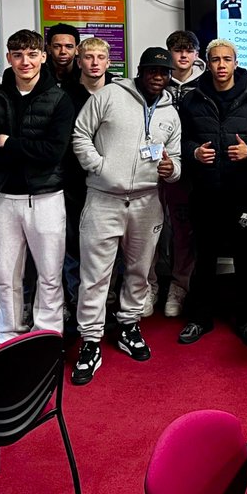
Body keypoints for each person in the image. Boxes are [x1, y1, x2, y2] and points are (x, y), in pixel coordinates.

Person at [70, 47, 181, 385]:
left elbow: (176, 158)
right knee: (95, 275)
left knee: (139, 271)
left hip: (147, 202)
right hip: (103, 199)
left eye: (163, 73)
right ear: (140, 71)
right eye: (151, 71)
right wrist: (99, 167)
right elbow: (80, 134)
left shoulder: (170, 112)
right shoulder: (109, 95)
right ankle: (90, 340)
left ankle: (129, 326)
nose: (157, 77)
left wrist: (172, 170)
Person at [0, 29, 75, 343]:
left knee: (49, 273)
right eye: (17, 55)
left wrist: (8, 143)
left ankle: (47, 333)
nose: (25, 62)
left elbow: (53, 152)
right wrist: (24, 150)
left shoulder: (59, 99)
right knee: (5, 275)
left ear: (43, 57)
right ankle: (9, 333)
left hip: (47, 196)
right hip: (4, 197)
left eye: (32, 54)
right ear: (8, 58)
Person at [177, 39, 247, 347]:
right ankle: (200, 318)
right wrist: (194, 152)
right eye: (215, 59)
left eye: (226, 59)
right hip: (206, 191)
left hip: (244, 192)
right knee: (205, 256)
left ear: (235, 62)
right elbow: (180, 139)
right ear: (207, 63)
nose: (221, 65)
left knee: (245, 259)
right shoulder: (192, 99)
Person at [59, 37, 113, 318]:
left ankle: (108, 302)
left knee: (109, 246)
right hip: (74, 182)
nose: (94, 63)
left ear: (108, 62)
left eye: (100, 57)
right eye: (88, 57)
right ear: (78, 61)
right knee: (74, 245)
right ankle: (75, 300)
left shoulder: (120, 93)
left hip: (111, 183)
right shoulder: (63, 95)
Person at [158, 29, 206, 318]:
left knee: (184, 230)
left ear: (197, 54)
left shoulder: (206, 83)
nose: (184, 55)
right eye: (178, 50)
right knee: (153, 229)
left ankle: (180, 285)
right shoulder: (156, 80)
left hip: (192, 168)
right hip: (155, 165)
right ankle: (150, 284)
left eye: (189, 50)